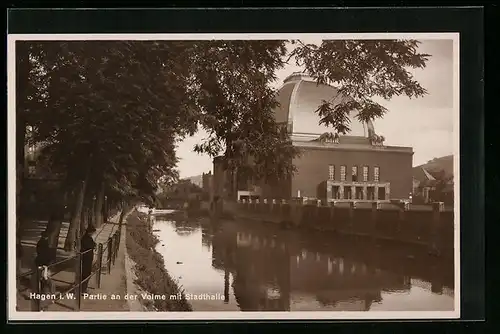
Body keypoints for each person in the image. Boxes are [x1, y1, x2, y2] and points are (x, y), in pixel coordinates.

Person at [35, 231, 55, 298]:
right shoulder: (45, 244)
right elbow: (46, 254)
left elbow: (38, 252)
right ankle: (46, 293)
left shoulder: (40, 243)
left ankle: (43, 292)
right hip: (44, 263)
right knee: (45, 278)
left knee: (42, 278)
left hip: (40, 262)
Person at [80, 225, 97, 294]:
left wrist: (94, 245)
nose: (93, 234)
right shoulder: (85, 238)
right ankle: (83, 290)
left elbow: (93, 244)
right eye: (93, 232)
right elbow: (90, 245)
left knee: (87, 274)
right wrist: (93, 246)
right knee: (85, 274)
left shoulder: (89, 238)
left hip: (88, 258)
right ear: (90, 232)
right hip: (86, 258)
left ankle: (84, 288)